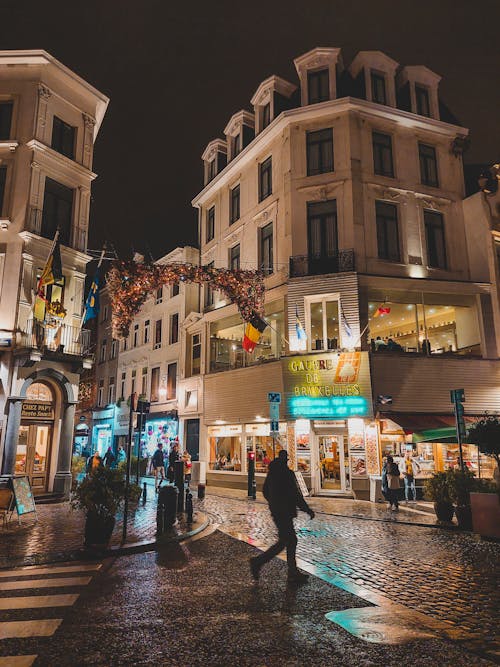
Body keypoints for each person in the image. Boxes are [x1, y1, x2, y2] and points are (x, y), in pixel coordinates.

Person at [249, 450, 315, 584]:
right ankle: (259, 562)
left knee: (288, 541)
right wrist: (306, 509)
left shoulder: (272, 473)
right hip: (285, 511)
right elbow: (295, 494)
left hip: (278, 511)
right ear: (286, 460)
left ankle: (292, 572)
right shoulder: (287, 474)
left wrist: (273, 503)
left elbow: (265, 491)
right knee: (286, 541)